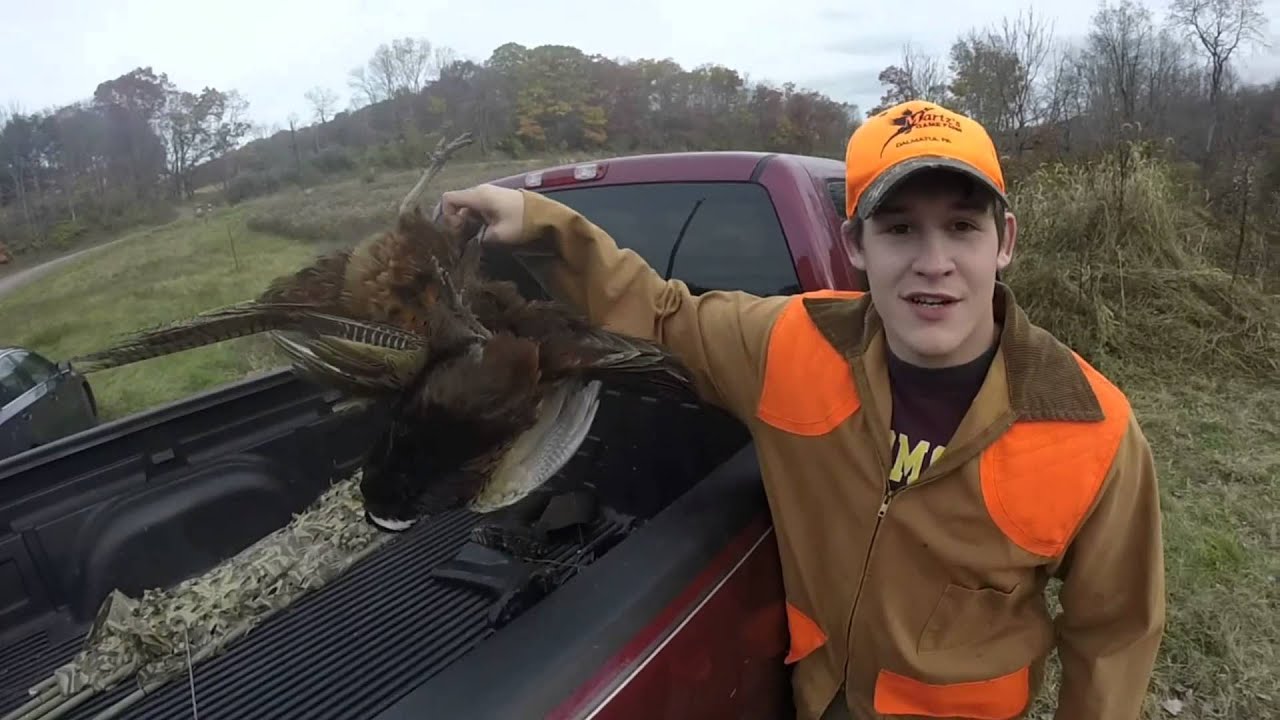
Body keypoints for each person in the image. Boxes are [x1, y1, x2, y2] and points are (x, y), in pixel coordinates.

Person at [438, 99, 1166, 720]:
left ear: (1003, 242)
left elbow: (1116, 633)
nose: (933, 260)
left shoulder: (1089, 428)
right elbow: (662, 315)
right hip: (819, 701)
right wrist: (542, 225)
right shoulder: (792, 347)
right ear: (856, 244)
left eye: (963, 227)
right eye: (900, 228)